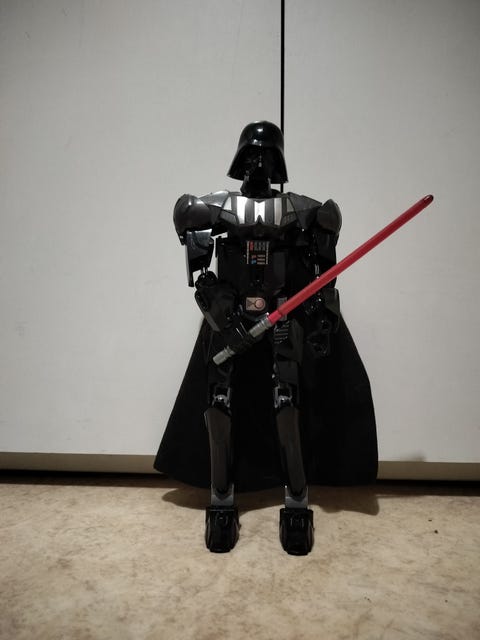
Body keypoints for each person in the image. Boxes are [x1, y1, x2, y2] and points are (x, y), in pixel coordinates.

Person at [154, 121, 377, 555]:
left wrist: (322, 318)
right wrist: (223, 314)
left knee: (287, 404)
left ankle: (296, 502)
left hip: (282, 316)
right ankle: (221, 500)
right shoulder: (211, 209)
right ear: (239, 159)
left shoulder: (305, 211)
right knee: (219, 404)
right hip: (228, 320)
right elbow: (202, 279)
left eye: (267, 155)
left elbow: (322, 280)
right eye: (252, 154)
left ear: (279, 162)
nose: (259, 163)